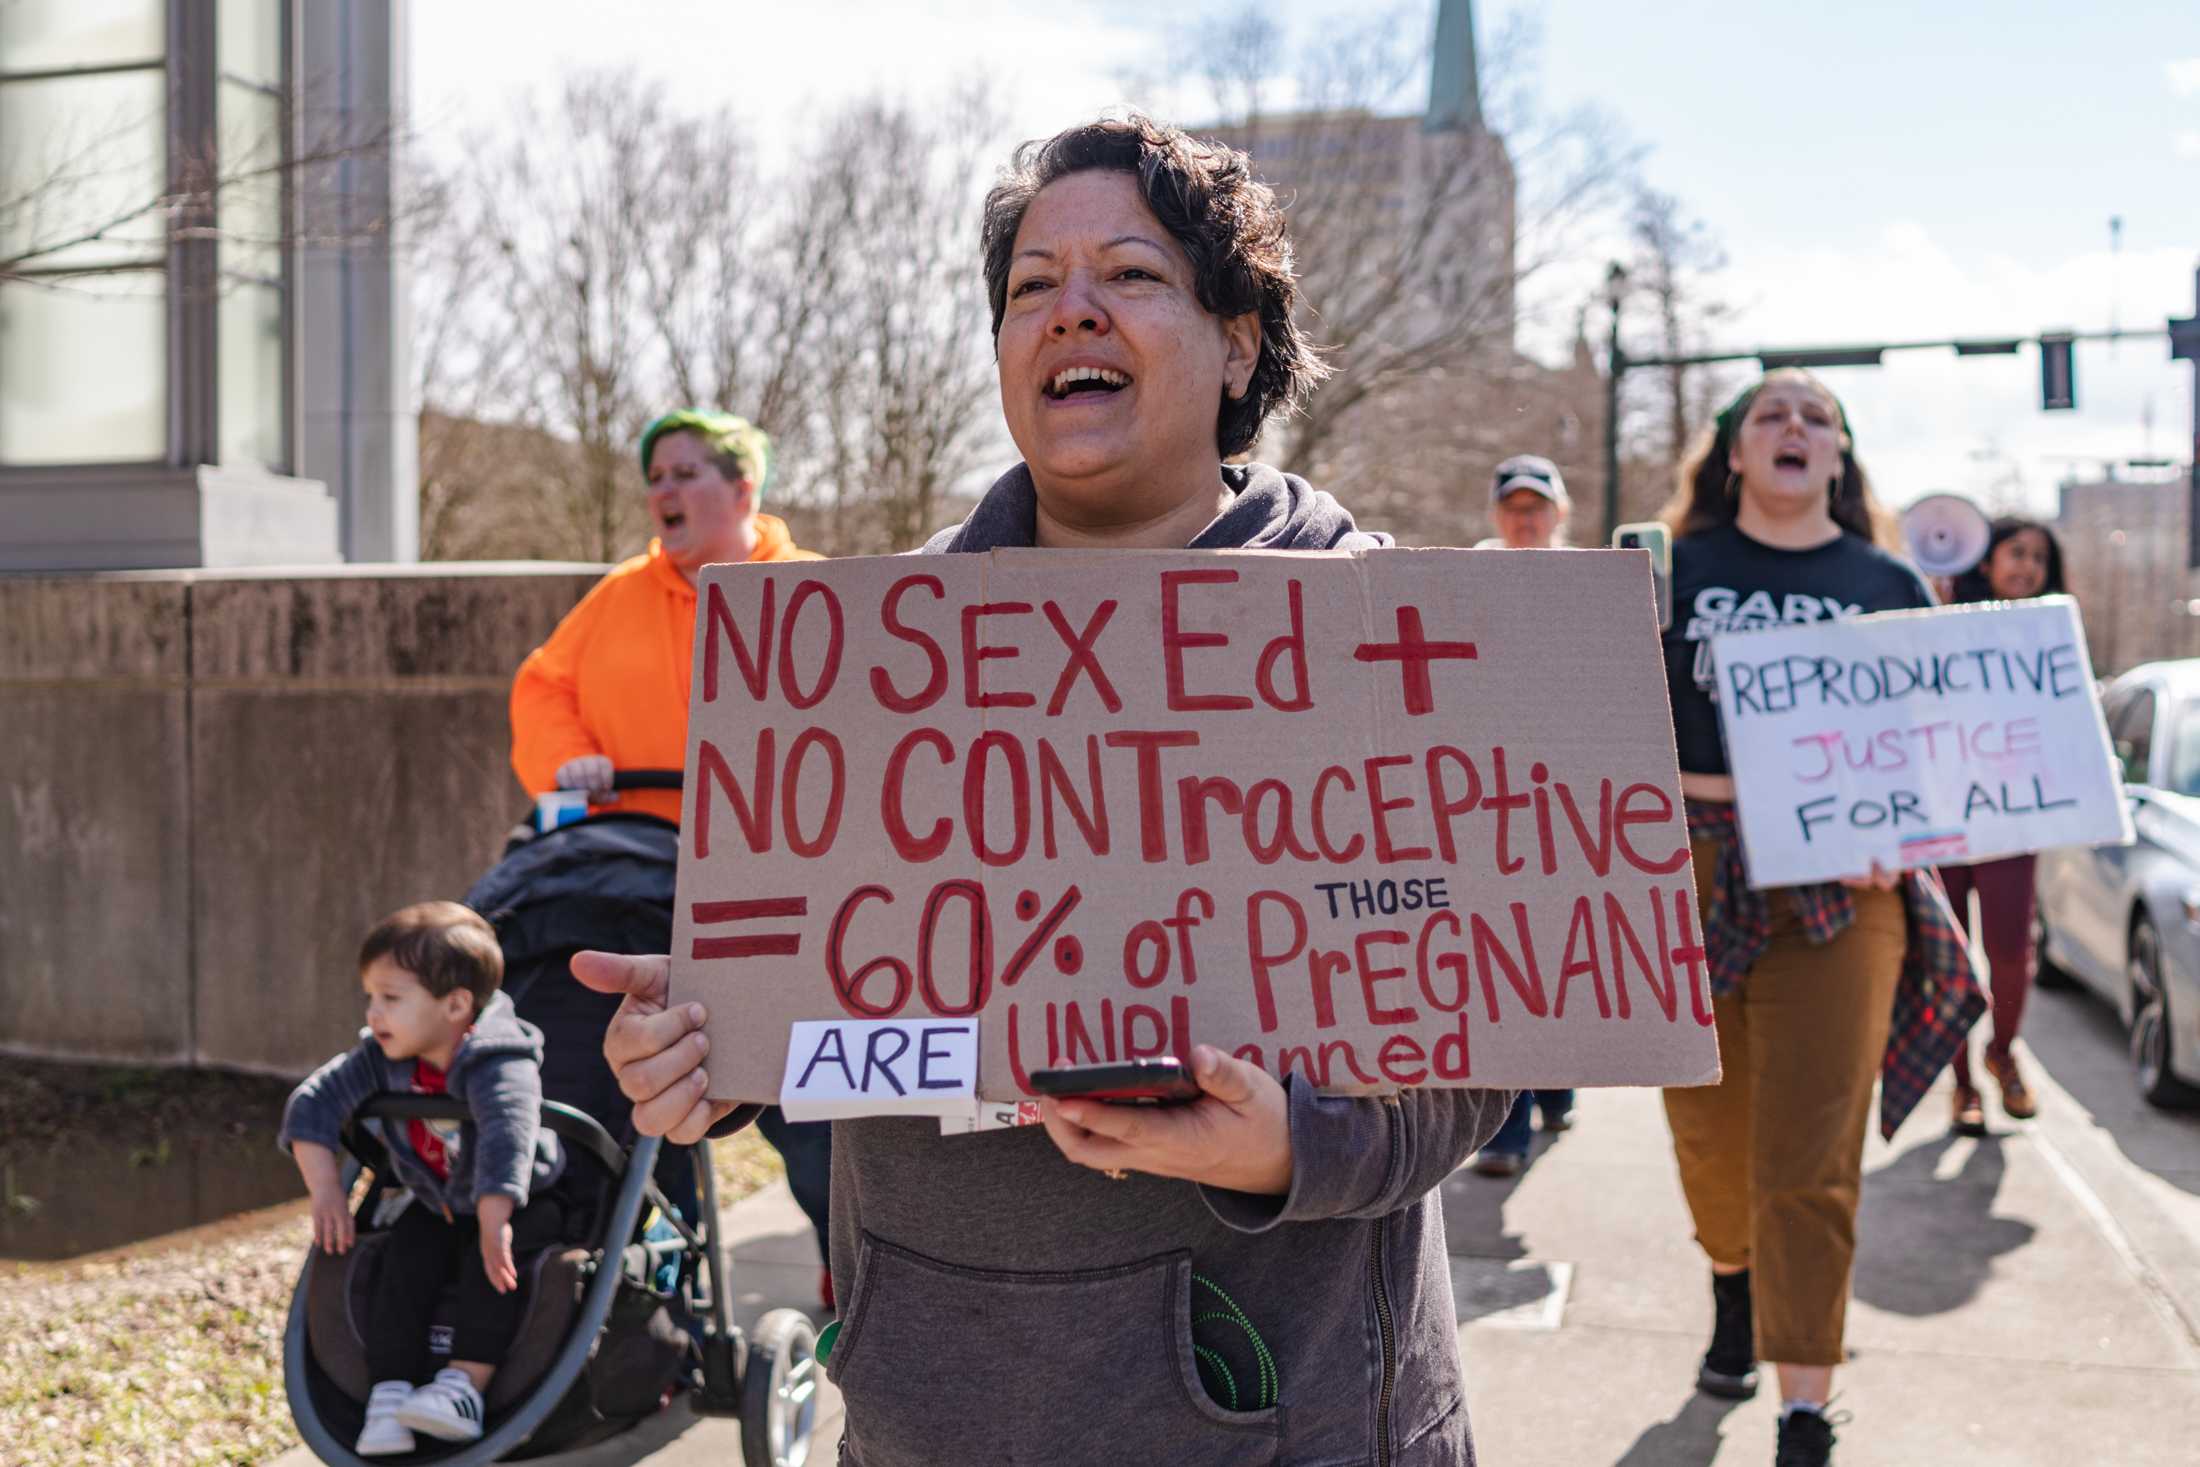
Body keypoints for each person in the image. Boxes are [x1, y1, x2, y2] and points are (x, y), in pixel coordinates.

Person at [572, 116, 1515, 1466]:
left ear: (1238, 337)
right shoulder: (864, 657)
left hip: (1292, 1415)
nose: (1069, 307)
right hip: (934, 1410)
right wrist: (706, 1049)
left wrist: (1281, 1144)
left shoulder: (1382, 630)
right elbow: (819, 994)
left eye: (1129, 274)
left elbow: (1483, 1036)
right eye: (1031, 284)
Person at [1655, 371, 1983, 1467]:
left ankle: (1805, 1401)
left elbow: (1938, 752)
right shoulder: (1665, 572)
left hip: (1843, 893)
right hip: (1689, 875)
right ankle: (1733, 1287)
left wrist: (1913, 827)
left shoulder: (1887, 583)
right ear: (1732, 454)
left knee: (1811, 1148)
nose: (1794, 429)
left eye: (1817, 420)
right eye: (1769, 416)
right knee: (1708, 1136)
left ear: (1838, 460)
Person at [506, 411, 835, 1304]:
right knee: (637, 1084)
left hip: (776, 883)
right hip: (630, 873)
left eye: (686, 472)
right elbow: (541, 690)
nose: (664, 491)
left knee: (803, 1102)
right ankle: (657, 1273)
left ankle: (851, 1253)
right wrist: (567, 754)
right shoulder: (616, 597)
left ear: (742, 490)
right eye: (655, 475)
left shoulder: (810, 592)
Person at [279, 902, 566, 1456]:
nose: (373, 1013)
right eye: (370, 996)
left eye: (390, 998)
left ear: (456, 1005)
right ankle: (390, 1391)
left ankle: (464, 1387)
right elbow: (311, 1103)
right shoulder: (383, 1056)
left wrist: (494, 1217)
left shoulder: (499, 1058)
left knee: (494, 1273)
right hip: (440, 1202)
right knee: (401, 1267)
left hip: (520, 1201)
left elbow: (509, 1131)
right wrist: (327, 1191)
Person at [1941, 516, 2071, 1135]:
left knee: (2012, 953)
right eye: (2015, 553)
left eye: (2039, 558)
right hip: (1941, 815)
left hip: (2010, 818)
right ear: (1984, 561)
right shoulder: (1937, 624)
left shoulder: (2054, 638)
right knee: (1951, 955)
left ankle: (2002, 1050)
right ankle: (1962, 1085)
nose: (2027, 567)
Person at [1472, 453, 1577, 1176]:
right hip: (1484, 798)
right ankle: (1505, 1135)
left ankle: (1557, 1087)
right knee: (1504, 965)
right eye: (1514, 504)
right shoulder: (1462, 576)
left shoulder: (1588, 582)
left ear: (1559, 513)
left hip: (1566, 802)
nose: (1526, 517)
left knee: (1555, 957)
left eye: (1537, 504)